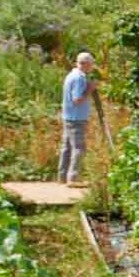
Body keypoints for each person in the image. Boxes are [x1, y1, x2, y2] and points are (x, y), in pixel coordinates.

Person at [58, 52, 97, 186]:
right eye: (91, 64)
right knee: (79, 148)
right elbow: (77, 99)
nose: (92, 67)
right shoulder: (79, 78)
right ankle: (74, 177)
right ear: (85, 64)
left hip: (68, 116)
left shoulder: (71, 75)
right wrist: (90, 89)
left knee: (67, 147)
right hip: (76, 117)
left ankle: (62, 176)